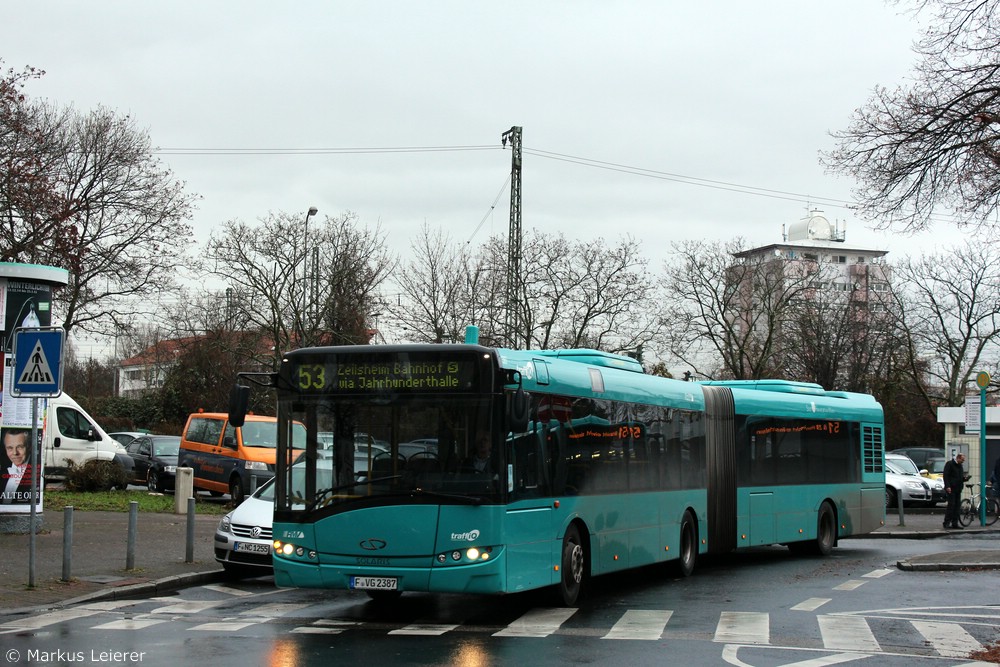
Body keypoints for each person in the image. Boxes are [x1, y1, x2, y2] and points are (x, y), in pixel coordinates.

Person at [2, 429, 32, 504]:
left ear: (29, 447)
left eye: (20, 447)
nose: (15, 453)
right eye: (10, 448)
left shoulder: (35, 469)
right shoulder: (3, 469)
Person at [942, 452, 967, 529]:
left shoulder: (960, 466)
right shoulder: (950, 464)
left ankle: (954, 523)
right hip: (951, 488)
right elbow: (946, 476)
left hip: (958, 488)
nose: (963, 461)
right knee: (951, 505)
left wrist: (964, 479)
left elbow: (959, 477)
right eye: (962, 460)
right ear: (958, 458)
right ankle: (946, 522)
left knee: (957, 506)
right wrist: (948, 486)